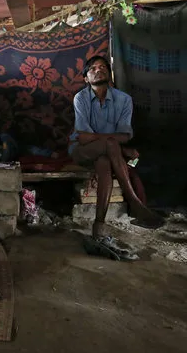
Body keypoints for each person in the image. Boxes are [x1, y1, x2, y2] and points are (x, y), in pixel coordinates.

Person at [69, 56, 164, 253]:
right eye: (92, 68)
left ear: (110, 74)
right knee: (110, 145)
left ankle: (98, 226)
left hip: (107, 154)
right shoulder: (81, 98)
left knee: (104, 163)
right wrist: (117, 146)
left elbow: (125, 134)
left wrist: (113, 143)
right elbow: (83, 137)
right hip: (82, 151)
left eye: (103, 67)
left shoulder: (124, 100)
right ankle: (134, 202)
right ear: (86, 78)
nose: (98, 70)